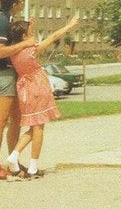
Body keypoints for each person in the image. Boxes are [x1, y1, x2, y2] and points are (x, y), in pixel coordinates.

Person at [5, 16, 79, 180]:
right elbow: (53, 37)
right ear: (24, 37)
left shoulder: (14, 52)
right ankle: (32, 166)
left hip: (24, 88)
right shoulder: (31, 50)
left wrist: (30, 27)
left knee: (33, 126)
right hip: (37, 86)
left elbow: (27, 39)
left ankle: (15, 154)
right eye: (29, 34)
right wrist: (69, 25)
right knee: (39, 127)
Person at [0, 0, 36, 180]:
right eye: (22, 1)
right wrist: (24, 44)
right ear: (14, 4)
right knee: (0, 121)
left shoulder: (7, 20)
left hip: (9, 74)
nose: (23, 4)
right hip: (2, 74)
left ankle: (12, 163)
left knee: (16, 119)